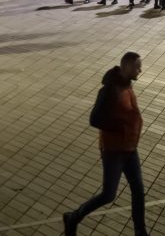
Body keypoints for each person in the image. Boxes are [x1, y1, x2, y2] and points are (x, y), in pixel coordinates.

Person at [63, 52, 147, 236]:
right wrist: (122, 127)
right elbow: (95, 119)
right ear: (125, 67)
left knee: (138, 191)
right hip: (114, 151)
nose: (140, 70)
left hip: (130, 149)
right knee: (108, 195)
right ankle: (73, 217)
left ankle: (140, 232)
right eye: (137, 66)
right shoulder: (110, 90)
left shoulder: (125, 84)